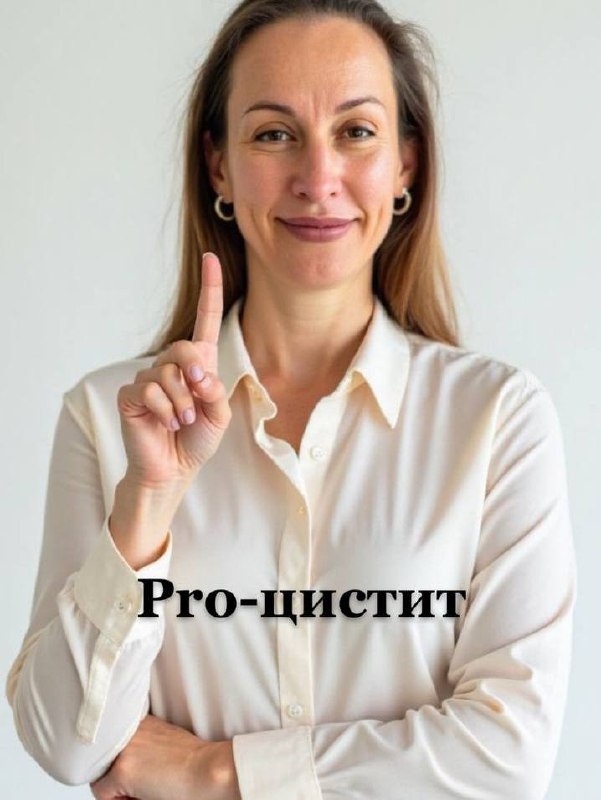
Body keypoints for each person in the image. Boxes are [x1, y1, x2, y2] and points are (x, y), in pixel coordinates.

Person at [6, 0, 576, 797]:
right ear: (218, 167)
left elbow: (508, 757)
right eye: (273, 134)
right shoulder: (108, 419)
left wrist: (211, 770)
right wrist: (148, 503)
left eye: (356, 131)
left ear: (405, 165)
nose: (317, 178)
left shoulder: (497, 418)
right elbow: (66, 744)